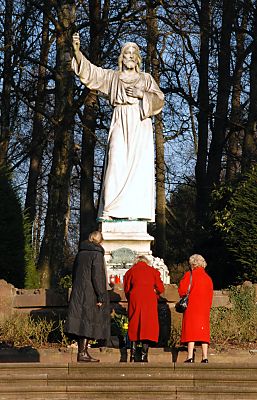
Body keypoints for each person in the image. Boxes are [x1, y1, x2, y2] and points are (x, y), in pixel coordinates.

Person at [72, 33, 164, 221]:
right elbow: (92, 73)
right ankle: (112, 211)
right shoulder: (112, 77)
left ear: (138, 58)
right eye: (127, 52)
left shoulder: (146, 79)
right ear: (121, 57)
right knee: (116, 162)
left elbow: (160, 100)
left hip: (140, 121)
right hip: (120, 119)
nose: (130, 56)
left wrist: (141, 94)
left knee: (138, 168)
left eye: (133, 53)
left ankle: (135, 213)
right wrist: (77, 52)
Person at [64, 231, 110, 362]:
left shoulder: (80, 253)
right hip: (90, 292)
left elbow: (74, 273)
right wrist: (101, 296)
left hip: (79, 291)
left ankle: (82, 351)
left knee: (81, 321)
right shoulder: (97, 254)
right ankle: (82, 353)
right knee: (88, 321)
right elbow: (98, 276)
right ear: (99, 241)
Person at [123, 255, 164, 362]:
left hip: (135, 298)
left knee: (134, 323)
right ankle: (143, 355)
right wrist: (155, 293)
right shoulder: (153, 271)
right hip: (149, 299)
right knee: (147, 325)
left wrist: (130, 297)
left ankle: (132, 355)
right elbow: (161, 288)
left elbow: (127, 289)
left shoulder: (130, 272)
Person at [178, 254, 213, 363]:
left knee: (191, 331)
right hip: (204, 308)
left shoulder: (190, 275)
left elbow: (182, 291)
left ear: (192, 263)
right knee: (203, 332)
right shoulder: (208, 278)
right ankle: (205, 357)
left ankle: (190, 356)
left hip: (192, 307)